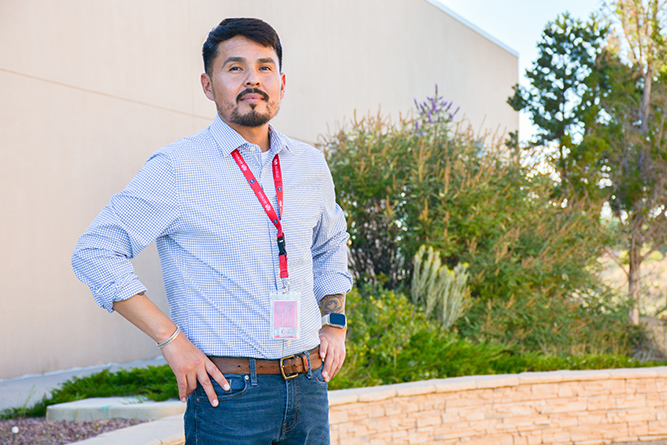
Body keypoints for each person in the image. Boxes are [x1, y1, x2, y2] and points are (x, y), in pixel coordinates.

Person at [72, 17, 352, 444]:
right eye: (235, 68)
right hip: (229, 396)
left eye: (264, 67)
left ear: (281, 82)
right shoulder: (177, 167)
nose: (252, 80)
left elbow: (330, 243)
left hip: (310, 385)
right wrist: (172, 341)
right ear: (208, 84)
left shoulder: (310, 164)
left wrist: (334, 322)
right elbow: (94, 252)